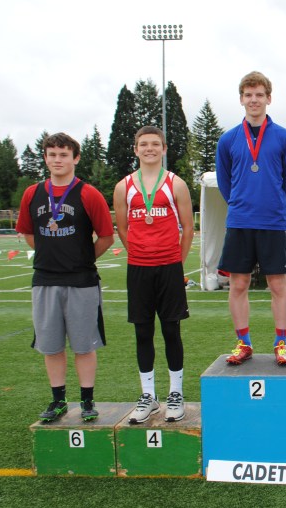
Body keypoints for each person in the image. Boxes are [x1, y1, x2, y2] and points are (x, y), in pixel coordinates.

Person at [16, 133, 114, 422]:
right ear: (45, 158)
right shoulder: (32, 194)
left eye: (63, 154)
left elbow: (107, 237)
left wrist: (81, 259)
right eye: (52, 154)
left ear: (75, 158)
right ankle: (58, 400)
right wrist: (52, 255)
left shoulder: (88, 193)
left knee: (84, 345)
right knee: (51, 345)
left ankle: (86, 401)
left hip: (82, 281)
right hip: (45, 280)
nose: (58, 160)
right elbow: (29, 233)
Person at [216, 71, 286, 366]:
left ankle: (281, 343)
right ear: (241, 99)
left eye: (259, 94)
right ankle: (244, 342)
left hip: (273, 222)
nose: (254, 100)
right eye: (249, 95)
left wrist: (273, 204)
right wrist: (241, 203)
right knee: (238, 285)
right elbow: (225, 184)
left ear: (268, 98)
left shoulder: (285, 137)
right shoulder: (227, 140)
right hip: (239, 221)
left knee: (278, 285)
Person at [113, 126, 194, 424]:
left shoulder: (176, 184)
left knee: (172, 330)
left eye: (155, 144)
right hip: (139, 269)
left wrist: (176, 262)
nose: (149, 149)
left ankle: (176, 393)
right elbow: (122, 228)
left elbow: (188, 227)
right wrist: (138, 252)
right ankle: (148, 395)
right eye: (143, 144)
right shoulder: (123, 187)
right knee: (142, 332)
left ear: (164, 148)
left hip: (169, 267)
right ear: (135, 149)